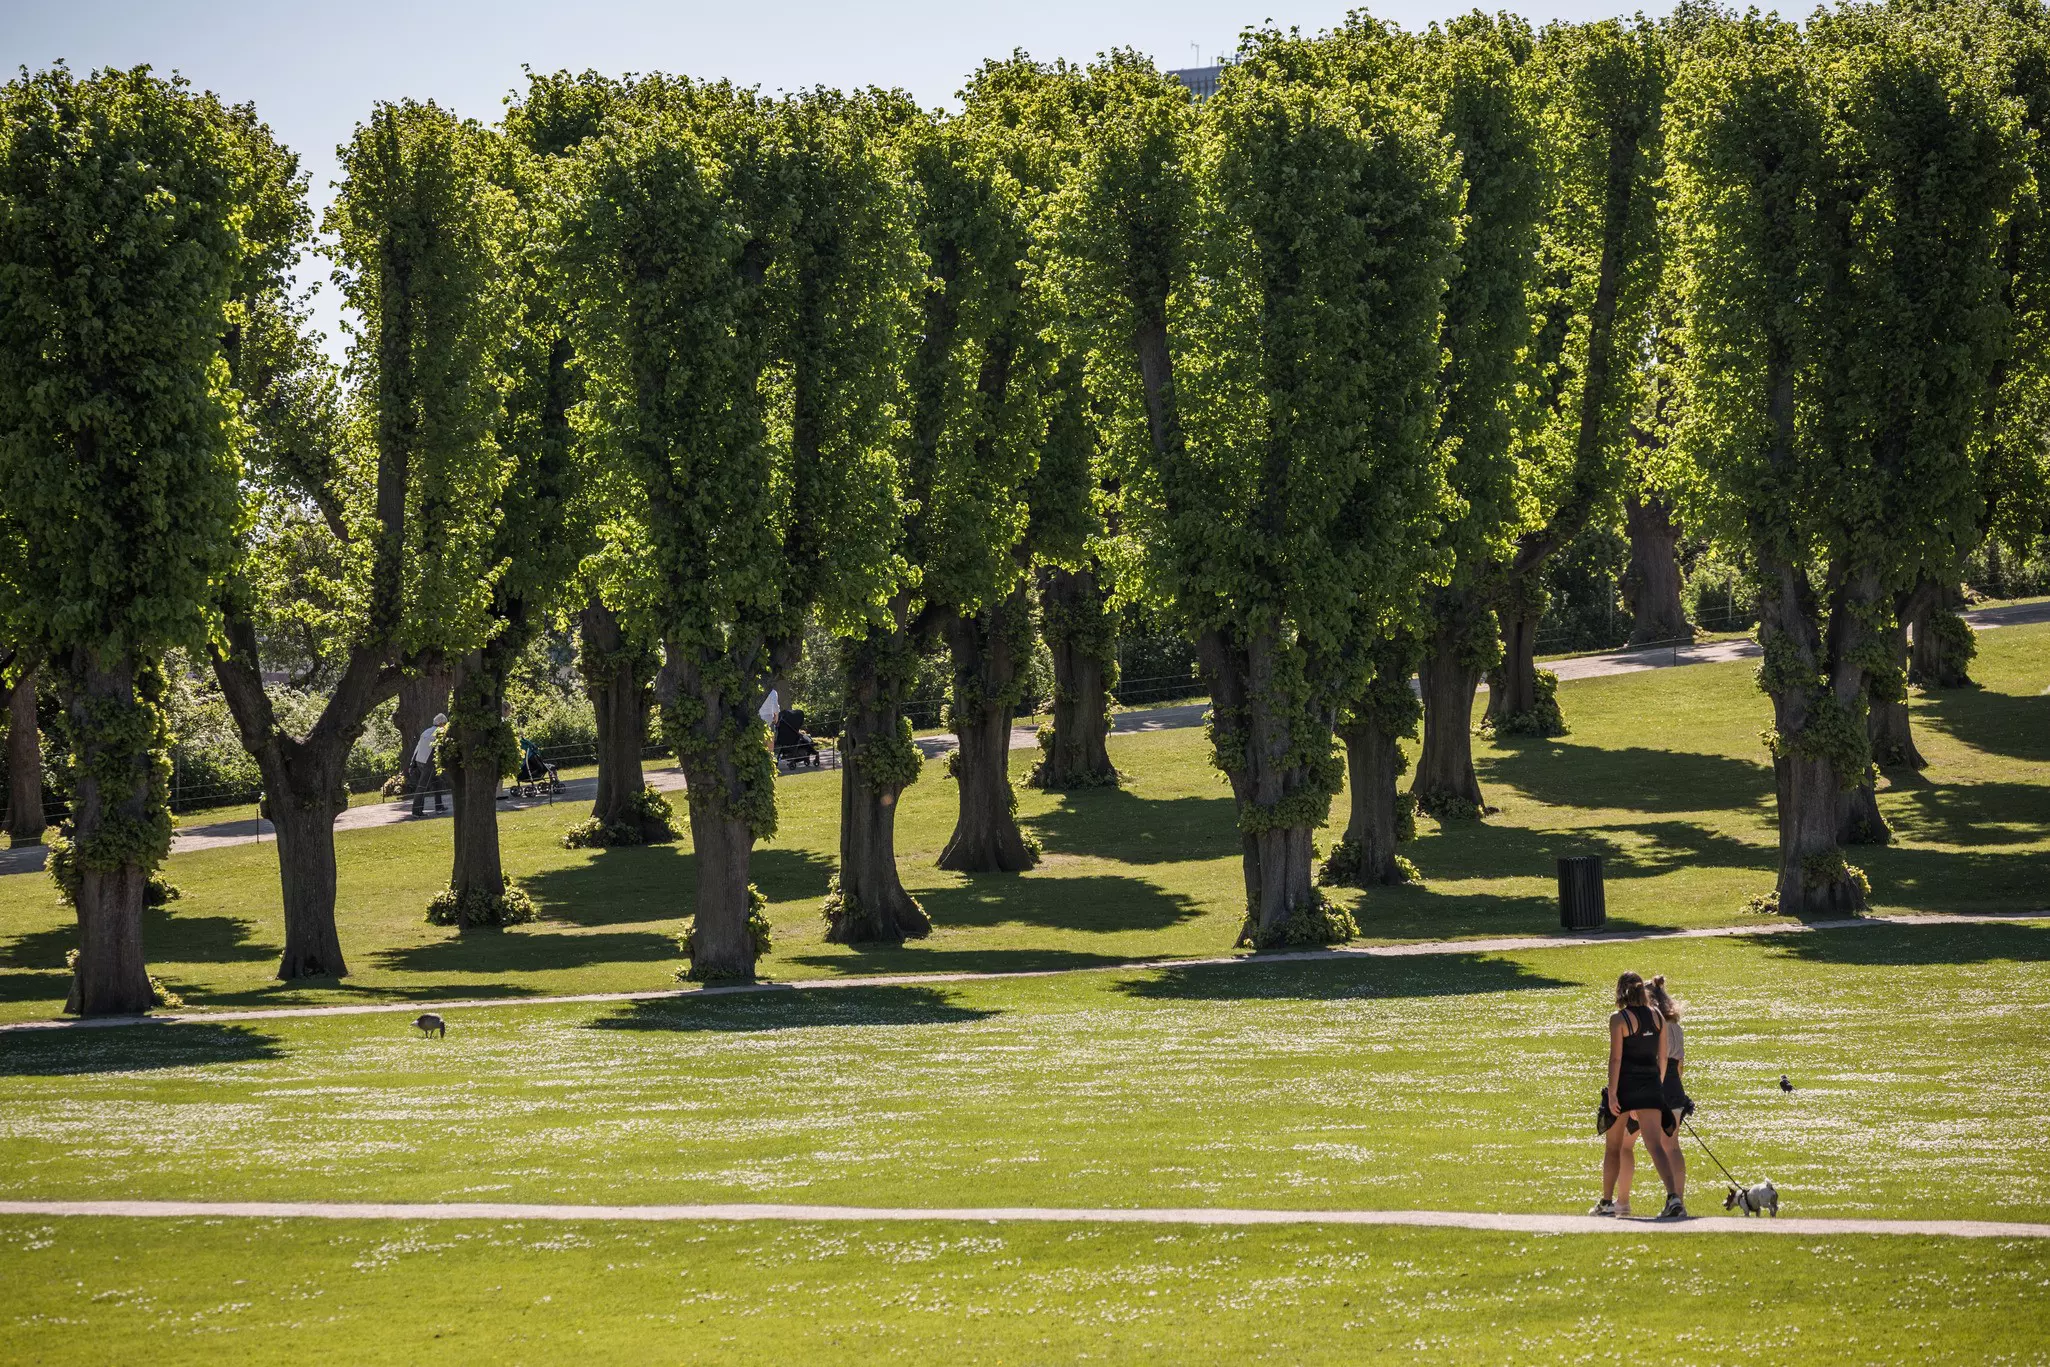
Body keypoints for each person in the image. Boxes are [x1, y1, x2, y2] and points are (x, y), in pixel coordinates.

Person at [1591, 970, 1687, 1219]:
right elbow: (1663, 1056)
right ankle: (1673, 1197)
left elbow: (1616, 1059)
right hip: (1651, 1084)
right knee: (1655, 1145)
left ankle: (1607, 1201)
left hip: (1625, 1087)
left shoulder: (1619, 1018)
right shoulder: (1657, 1016)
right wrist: (1659, 1083)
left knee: (1614, 1146)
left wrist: (1612, 1094)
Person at [410, 712, 447, 816]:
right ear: (442, 723)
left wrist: (413, 762)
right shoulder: (440, 732)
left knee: (437, 783)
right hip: (428, 763)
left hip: (419, 760)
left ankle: (439, 806)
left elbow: (418, 747)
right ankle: (416, 811)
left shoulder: (426, 731)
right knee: (422, 787)